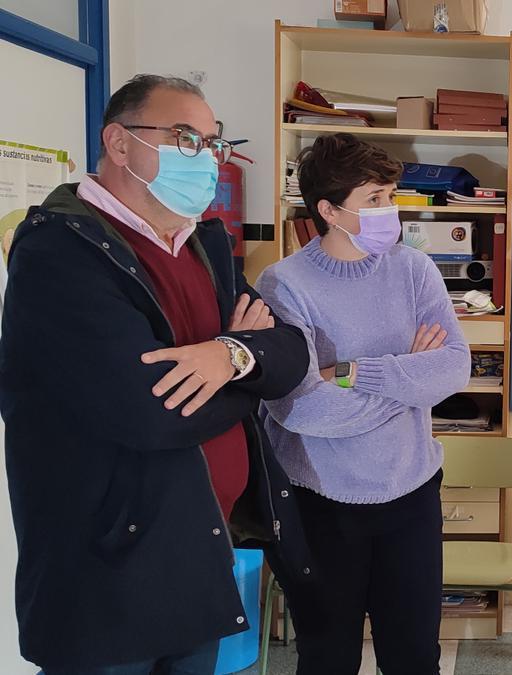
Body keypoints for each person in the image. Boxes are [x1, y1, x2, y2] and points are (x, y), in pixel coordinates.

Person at [0, 74, 310, 673]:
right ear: (118, 143)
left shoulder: (202, 246)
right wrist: (247, 370)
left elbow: (290, 352)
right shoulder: (61, 254)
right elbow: (153, 413)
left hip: (198, 556)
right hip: (105, 577)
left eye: (215, 145)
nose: (209, 160)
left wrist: (229, 357)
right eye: (187, 139)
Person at [257, 133, 471, 675]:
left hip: (411, 494)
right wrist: (406, 381)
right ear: (329, 210)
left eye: (391, 196)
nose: (389, 210)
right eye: (373, 199)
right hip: (322, 503)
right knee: (328, 657)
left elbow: (454, 367)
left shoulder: (414, 269)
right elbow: (300, 407)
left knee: (414, 656)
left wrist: (351, 373)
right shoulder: (284, 284)